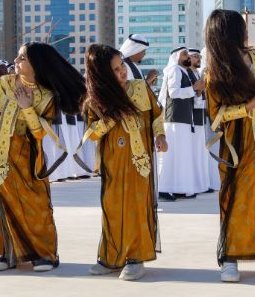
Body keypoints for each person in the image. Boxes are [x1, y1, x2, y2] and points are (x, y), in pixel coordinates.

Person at [0, 42, 85, 272]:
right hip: (2, 156)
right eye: (18, 57)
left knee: (35, 205)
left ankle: (44, 255)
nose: (16, 61)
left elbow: (40, 133)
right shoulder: (1, 86)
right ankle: (3, 253)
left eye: (22, 58)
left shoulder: (47, 96)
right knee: (0, 201)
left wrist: (27, 108)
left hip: (30, 157)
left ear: (37, 65)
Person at [203, 9, 255, 283]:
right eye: (241, 29)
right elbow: (216, 117)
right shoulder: (216, 71)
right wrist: (248, 107)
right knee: (235, 199)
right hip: (237, 145)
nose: (247, 33)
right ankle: (230, 257)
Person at [83, 44, 168, 281]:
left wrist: (160, 135)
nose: (122, 72)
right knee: (111, 209)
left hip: (139, 163)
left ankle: (135, 258)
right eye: (116, 69)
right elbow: (91, 134)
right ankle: (111, 258)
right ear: (101, 74)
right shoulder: (95, 100)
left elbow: (156, 116)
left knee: (136, 208)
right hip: (113, 165)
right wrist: (111, 118)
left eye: (122, 66)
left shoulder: (140, 88)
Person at [157, 46, 205, 199]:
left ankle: (180, 188)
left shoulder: (184, 72)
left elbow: (192, 96)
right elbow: (174, 92)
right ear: (176, 57)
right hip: (174, 119)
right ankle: (164, 188)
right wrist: (194, 88)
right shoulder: (174, 70)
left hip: (185, 119)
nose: (188, 57)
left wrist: (197, 91)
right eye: (184, 54)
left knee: (183, 155)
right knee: (172, 154)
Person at [186, 48, 212, 193]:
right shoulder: (187, 73)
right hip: (189, 120)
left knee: (201, 153)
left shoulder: (197, 73)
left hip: (200, 117)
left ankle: (201, 184)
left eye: (199, 56)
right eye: (195, 56)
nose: (198, 59)